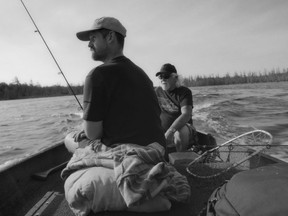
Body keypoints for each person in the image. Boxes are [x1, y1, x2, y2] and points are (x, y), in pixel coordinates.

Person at [65, 17, 165, 153]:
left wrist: (87, 129)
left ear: (110, 37)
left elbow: (93, 134)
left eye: (93, 38)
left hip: (125, 154)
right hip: (157, 151)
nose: (89, 44)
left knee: (69, 139)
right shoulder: (142, 75)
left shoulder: (97, 74)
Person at [154, 63, 197, 152]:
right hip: (163, 131)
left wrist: (170, 131)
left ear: (175, 77)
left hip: (184, 131)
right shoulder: (157, 91)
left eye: (166, 76)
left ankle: (180, 158)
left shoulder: (184, 92)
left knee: (180, 131)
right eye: (160, 77)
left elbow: (186, 114)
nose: (162, 79)